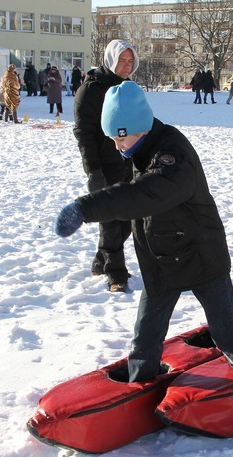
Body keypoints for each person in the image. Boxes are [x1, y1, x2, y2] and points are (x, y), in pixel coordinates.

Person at [55, 81, 233, 382]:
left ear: (136, 128)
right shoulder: (141, 149)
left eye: (118, 138)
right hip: (162, 262)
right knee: (145, 340)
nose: (116, 147)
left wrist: (86, 209)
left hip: (202, 256)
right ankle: (137, 390)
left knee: (225, 334)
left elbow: (143, 195)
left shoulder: (172, 155)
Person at [73, 39, 139, 292]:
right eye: (122, 61)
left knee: (127, 221)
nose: (126, 66)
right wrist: (94, 171)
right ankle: (116, 273)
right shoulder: (91, 89)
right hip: (104, 163)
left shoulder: (129, 88)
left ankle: (101, 261)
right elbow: (83, 133)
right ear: (111, 60)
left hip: (129, 161)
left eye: (130, 61)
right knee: (111, 220)